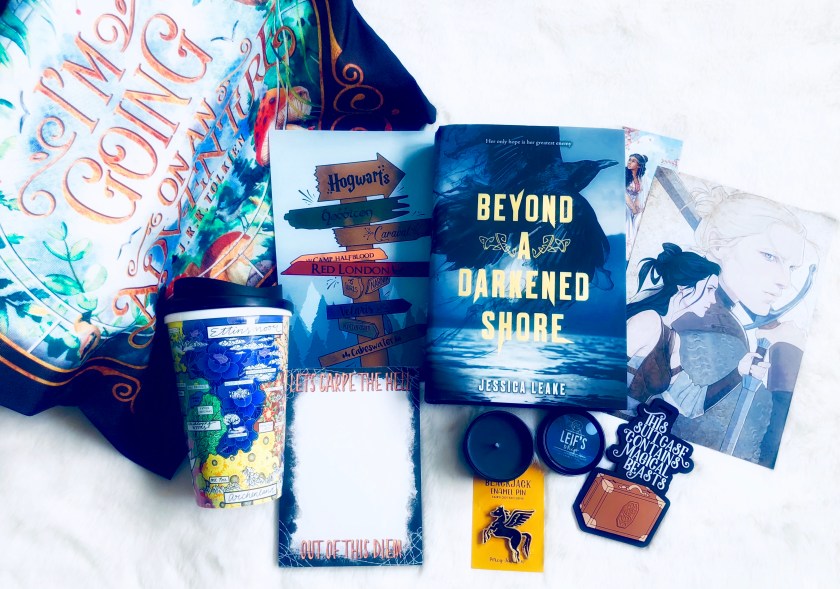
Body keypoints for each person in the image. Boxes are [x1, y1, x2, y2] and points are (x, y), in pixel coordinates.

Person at [670, 192, 809, 465]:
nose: (784, 280)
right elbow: (755, 448)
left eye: (791, 266)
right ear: (717, 245)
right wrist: (787, 354)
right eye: (769, 256)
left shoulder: (719, 318)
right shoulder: (707, 326)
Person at [626, 243, 722, 413]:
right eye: (709, 289)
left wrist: (740, 371)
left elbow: (690, 403)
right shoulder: (648, 320)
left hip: (627, 427)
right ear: (683, 287)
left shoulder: (673, 339)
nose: (713, 299)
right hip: (597, 420)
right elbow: (599, 374)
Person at [625, 153, 648, 250]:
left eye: (633, 161)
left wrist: (638, 206)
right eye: (629, 160)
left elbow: (639, 194)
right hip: (624, 202)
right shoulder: (624, 174)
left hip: (634, 204)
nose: (629, 162)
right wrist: (633, 208)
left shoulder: (640, 178)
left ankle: (635, 244)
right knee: (626, 212)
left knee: (641, 215)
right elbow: (624, 193)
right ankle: (627, 244)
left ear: (639, 165)